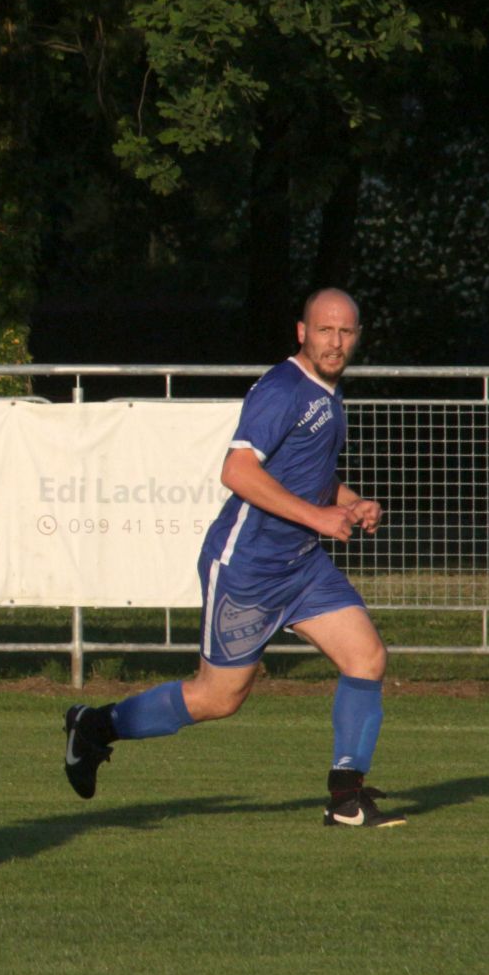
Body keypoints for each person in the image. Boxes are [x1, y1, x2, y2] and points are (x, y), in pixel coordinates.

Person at [62, 288, 404, 827]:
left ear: (357, 336)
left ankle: (345, 798)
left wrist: (350, 502)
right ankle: (94, 726)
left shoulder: (328, 393)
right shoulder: (283, 389)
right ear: (302, 332)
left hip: (301, 566)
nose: (335, 342)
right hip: (248, 568)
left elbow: (305, 474)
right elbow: (237, 471)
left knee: (367, 658)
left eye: (345, 332)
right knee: (218, 698)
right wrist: (319, 519)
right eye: (324, 330)